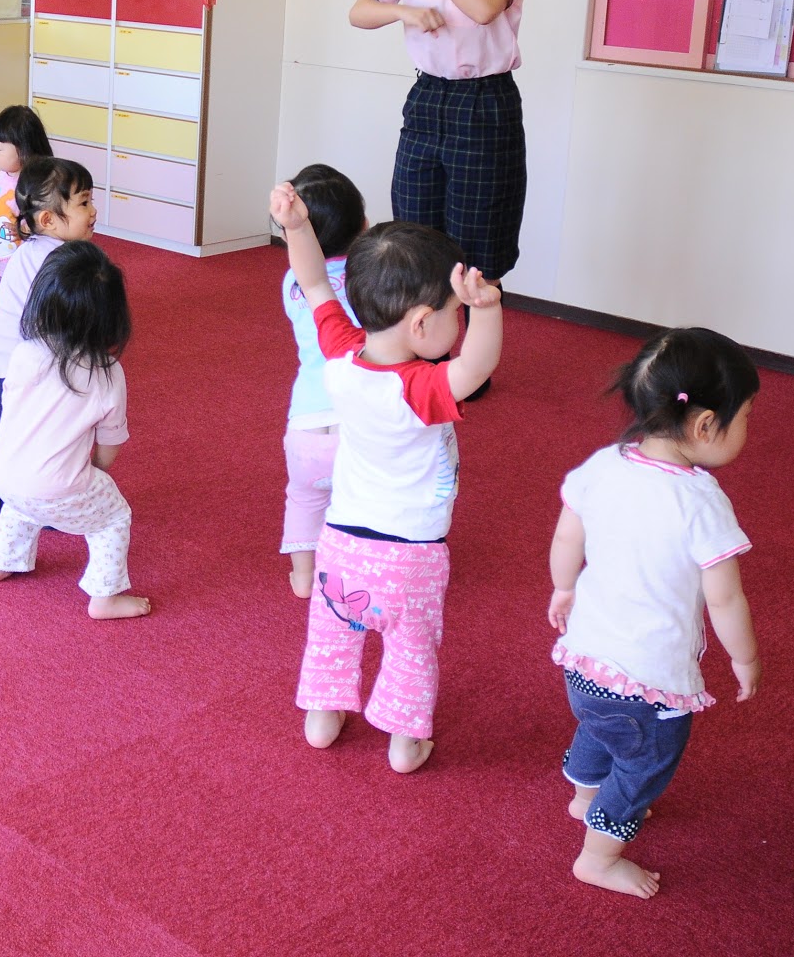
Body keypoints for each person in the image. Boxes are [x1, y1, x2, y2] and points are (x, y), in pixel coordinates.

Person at [272, 186, 502, 775]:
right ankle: (404, 743)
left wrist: (298, 229)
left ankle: (322, 719)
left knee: (332, 633)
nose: (460, 320)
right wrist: (490, 309)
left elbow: (317, 284)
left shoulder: (341, 360)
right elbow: (475, 367)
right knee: (411, 651)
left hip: (341, 543)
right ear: (423, 324)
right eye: (454, 313)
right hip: (412, 556)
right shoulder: (420, 389)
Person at [547, 327, 762, 899]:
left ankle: (584, 795)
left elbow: (569, 536)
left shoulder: (604, 464)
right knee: (646, 765)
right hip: (648, 679)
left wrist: (562, 590)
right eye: (745, 416)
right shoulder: (702, 502)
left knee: (599, 725)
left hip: (583, 656)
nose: (748, 429)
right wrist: (745, 657)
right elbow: (724, 598)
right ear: (705, 425)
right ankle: (599, 855)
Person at [350, 0, 530, 293]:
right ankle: (422, 361)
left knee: (477, 259)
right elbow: (359, 12)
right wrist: (403, 12)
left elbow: (484, 7)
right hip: (427, 98)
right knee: (413, 242)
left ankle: (475, 365)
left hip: (485, 104)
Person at [0, 241, 149, 620]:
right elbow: (109, 445)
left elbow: (12, 411)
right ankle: (105, 597)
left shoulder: (25, 353)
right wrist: (94, 471)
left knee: (22, 503)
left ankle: (2, 561)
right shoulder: (107, 374)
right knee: (114, 516)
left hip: (4, 473)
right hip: (57, 485)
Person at [0, 157, 97, 516]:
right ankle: (44, 508)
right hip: (22, 374)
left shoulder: (28, 251)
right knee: (41, 441)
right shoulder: (61, 262)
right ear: (47, 219)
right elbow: (54, 324)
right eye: (84, 202)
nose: (93, 211)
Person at [277, 165, 366, 598]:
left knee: (304, 498)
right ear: (363, 226)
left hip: (306, 424)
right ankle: (361, 567)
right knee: (365, 500)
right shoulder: (372, 280)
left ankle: (302, 577)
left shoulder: (293, 283)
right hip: (359, 421)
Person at [0, 105, 51, 277]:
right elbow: (2, 206)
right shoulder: (4, 174)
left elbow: (47, 221)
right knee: (5, 282)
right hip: (3, 250)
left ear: (23, 149)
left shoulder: (35, 182)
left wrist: (25, 229)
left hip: (25, 257)